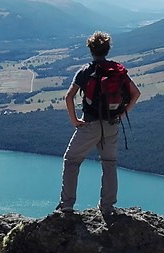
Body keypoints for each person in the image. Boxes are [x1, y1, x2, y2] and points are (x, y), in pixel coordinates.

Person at [57, 31, 141, 215]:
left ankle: (67, 205)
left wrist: (74, 120)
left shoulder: (85, 71)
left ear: (90, 49)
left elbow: (69, 96)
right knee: (109, 163)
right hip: (112, 124)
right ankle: (107, 207)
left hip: (89, 125)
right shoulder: (117, 70)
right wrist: (121, 113)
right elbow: (136, 93)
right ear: (107, 49)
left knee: (71, 161)